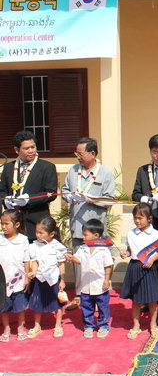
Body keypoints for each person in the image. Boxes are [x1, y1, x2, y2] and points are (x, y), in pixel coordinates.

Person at [61, 137, 116, 311]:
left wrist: (93, 200)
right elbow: (64, 191)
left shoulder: (105, 173)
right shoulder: (73, 170)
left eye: (81, 153)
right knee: (79, 263)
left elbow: (110, 199)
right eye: (76, 153)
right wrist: (70, 196)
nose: (78, 156)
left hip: (96, 226)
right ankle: (79, 296)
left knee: (98, 263)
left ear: (92, 153)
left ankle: (100, 296)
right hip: (77, 225)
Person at [0, 131, 58, 242]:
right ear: (17, 150)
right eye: (26, 148)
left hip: (37, 223)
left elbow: (51, 193)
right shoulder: (8, 168)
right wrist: (6, 200)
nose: (31, 151)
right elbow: (2, 191)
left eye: (33, 147)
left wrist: (29, 199)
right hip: (14, 225)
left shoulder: (47, 167)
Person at [119, 203, 158, 339]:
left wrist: (152, 260)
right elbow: (130, 249)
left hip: (151, 268)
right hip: (135, 267)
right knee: (136, 300)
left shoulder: (157, 234)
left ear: (149, 218)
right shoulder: (131, 233)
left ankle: (153, 325)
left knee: (153, 300)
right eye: (135, 218)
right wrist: (126, 254)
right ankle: (136, 325)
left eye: (140, 218)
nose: (137, 221)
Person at [64, 219, 114, 339]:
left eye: (85, 234)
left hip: (100, 285)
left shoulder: (104, 250)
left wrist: (107, 280)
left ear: (96, 235)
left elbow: (109, 266)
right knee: (87, 306)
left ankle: (103, 325)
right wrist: (71, 258)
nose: (83, 237)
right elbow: (78, 260)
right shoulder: (82, 249)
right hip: (86, 285)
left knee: (102, 306)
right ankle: (88, 325)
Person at [26, 216, 67, 339]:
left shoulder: (57, 247)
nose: (38, 235)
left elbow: (61, 264)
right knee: (37, 303)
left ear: (52, 234)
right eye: (36, 232)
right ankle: (37, 325)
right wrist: (33, 272)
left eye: (41, 232)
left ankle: (58, 324)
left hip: (53, 279)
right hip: (39, 279)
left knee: (58, 303)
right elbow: (35, 261)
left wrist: (62, 280)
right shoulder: (34, 246)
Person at [0, 209, 30, 342]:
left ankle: (20, 327)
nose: (3, 227)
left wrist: (27, 277)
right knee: (4, 306)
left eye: (6, 224)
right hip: (3, 279)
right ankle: (6, 328)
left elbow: (26, 259)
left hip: (18, 279)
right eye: (2, 224)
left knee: (20, 305)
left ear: (16, 225)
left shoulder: (23, 240)